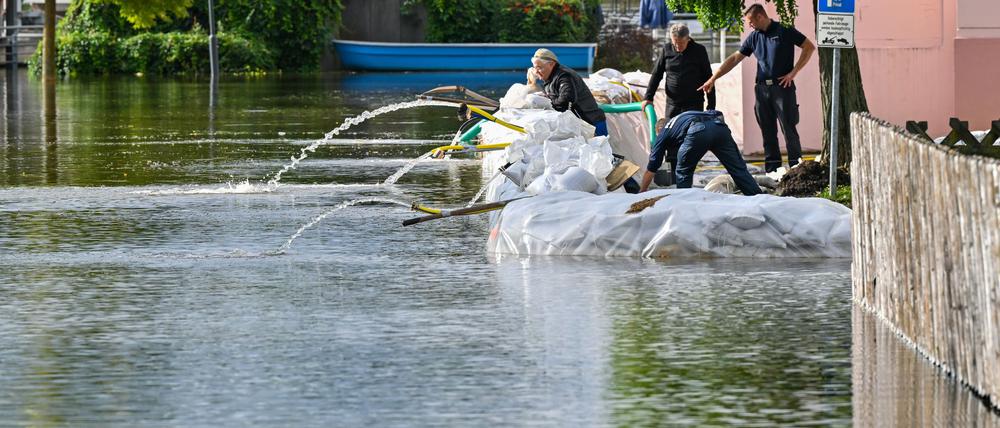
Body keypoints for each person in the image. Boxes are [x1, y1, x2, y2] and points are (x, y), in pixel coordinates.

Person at [698, 4, 815, 172]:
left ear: (760, 16)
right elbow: (735, 58)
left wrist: (794, 72)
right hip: (761, 90)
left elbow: (809, 47)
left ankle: (796, 168)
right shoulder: (754, 37)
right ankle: (773, 170)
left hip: (782, 88)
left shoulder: (784, 30)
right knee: (768, 133)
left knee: (789, 129)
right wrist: (713, 78)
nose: (749, 26)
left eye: (751, 22)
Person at [640, 110, 762, 196]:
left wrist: (642, 191)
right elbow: (717, 113)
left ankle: (685, 204)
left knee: (683, 171)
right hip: (719, 127)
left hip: (697, 130)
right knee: (738, 169)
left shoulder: (663, 132)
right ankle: (759, 198)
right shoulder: (682, 118)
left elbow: (652, 167)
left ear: (659, 130)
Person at [527, 48, 608, 137]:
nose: (536, 71)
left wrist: (547, 104)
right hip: (580, 125)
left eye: (539, 68)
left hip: (592, 123)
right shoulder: (550, 77)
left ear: (551, 64)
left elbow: (567, 99)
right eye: (534, 68)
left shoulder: (564, 76)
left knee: (598, 150)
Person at [641, 23, 715, 119]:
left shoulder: (699, 51)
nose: (677, 47)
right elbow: (656, 74)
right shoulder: (666, 49)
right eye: (675, 44)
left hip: (694, 105)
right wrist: (648, 97)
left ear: (688, 39)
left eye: (681, 44)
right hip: (672, 105)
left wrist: (711, 107)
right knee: (671, 132)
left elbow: (709, 78)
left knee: (692, 133)